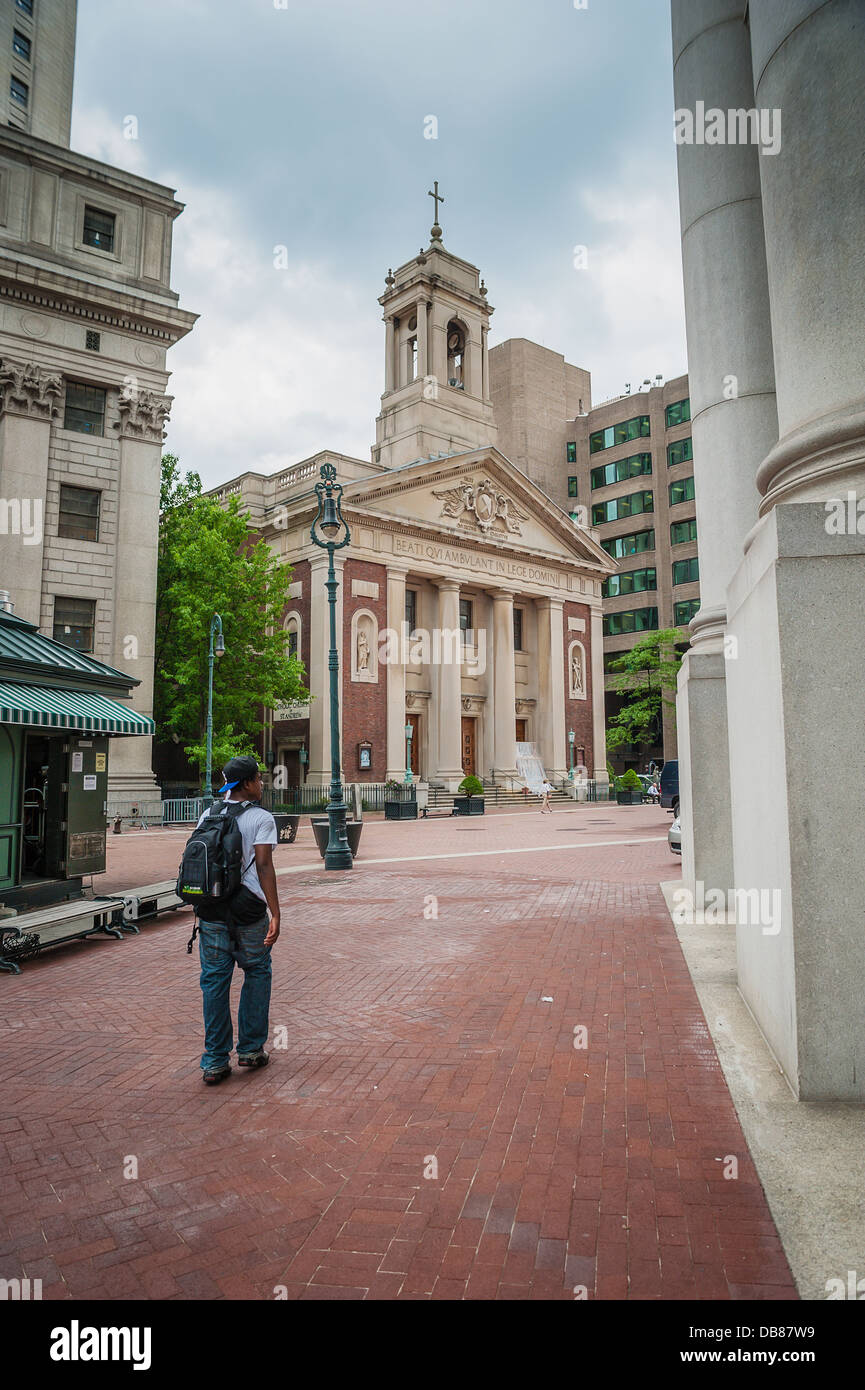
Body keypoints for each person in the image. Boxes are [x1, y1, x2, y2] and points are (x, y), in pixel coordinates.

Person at [194, 756, 280, 1085]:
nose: (262, 783)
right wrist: (276, 912)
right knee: (257, 971)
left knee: (215, 981)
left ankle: (215, 1060)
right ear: (245, 784)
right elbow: (263, 866)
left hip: (213, 909)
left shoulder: (208, 813)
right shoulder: (260, 818)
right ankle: (250, 1049)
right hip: (249, 911)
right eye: (258, 779)